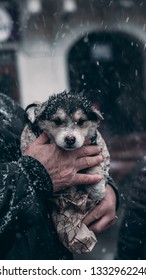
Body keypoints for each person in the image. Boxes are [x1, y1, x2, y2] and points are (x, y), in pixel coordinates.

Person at [0, 93, 118, 260]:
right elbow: (37, 165)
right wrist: (33, 174)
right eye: (58, 122)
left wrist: (104, 185)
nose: (70, 133)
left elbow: (46, 153)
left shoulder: (5, 104)